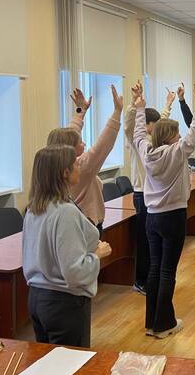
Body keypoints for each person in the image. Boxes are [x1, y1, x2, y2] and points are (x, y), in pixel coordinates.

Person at [23, 145, 112, 347]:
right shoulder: (65, 212)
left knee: (50, 361)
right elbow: (74, 272)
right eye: (76, 164)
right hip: (64, 303)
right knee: (72, 362)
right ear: (65, 172)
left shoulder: (34, 208)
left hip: (37, 298)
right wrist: (97, 254)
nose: (80, 167)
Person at [133, 84, 195, 339]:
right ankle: (164, 324)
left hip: (152, 217)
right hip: (173, 217)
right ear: (169, 137)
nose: (179, 136)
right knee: (167, 271)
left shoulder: (146, 152)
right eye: (176, 133)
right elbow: (194, 133)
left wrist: (140, 109)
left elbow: (139, 135)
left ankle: (151, 322)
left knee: (154, 268)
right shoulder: (176, 152)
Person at [47, 86, 123, 237]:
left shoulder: (54, 164)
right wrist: (117, 112)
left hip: (76, 224)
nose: (84, 143)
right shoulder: (79, 166)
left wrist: (80, 111)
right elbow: (103, 145)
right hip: (86, 226)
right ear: (71, 148)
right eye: (81, 142)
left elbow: (70, 134)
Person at [124, 82, 176, 295]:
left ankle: (154, 277)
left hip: (155, 194)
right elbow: (128, 126)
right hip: (141, 194)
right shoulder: (137, 140)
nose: (159, 129)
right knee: (145, 241)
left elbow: (161, 120)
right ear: (146, 126)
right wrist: (134, 105)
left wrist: (168, 104)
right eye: (155, 125)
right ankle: (141, 280)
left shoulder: (152, 140)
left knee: (154, 240)